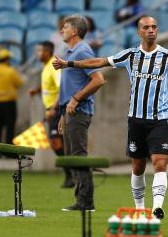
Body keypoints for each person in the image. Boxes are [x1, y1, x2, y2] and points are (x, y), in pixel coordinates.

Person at [53, 15, 168, 220]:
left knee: (160, 163)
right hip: (135, 119)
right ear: (139, 32)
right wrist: (70, 64)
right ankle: (139, 208)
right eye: (146, 27)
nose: (151, 30)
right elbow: (99, 61)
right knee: (137, 166)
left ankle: (157, 208)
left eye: (154, 27)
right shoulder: (130, 55)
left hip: (159, 119)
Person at [55, 15, 105, 211]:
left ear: (74, 31)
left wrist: (76, 99)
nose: (62, 31)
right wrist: (62, 114)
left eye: (65, 27)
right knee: (73, 157)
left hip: (79, 111)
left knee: (78, 156)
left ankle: (85, 202)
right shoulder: (72, 52)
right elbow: (70, 85)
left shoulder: (82, 51)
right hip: (70, 112)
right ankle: (82, 200)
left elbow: (99, 79)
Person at [29, 41, 74, 188]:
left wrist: (53, 109)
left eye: (40, 50)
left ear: (47, 52)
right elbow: (51, 86)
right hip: (52, 108)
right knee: (57, 144)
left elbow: (61, 88)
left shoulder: (53, 67)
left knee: (57, 144)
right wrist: (37, 90)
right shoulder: (46, 67)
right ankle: (71, 174)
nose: (38, 54)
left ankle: (72, 172)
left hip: (57, 109)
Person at [0, 48, 23, 147]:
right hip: (9, 103)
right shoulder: (10, 71)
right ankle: (8, 151)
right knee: (10, 127)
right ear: (7, 59)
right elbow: (19, 83)